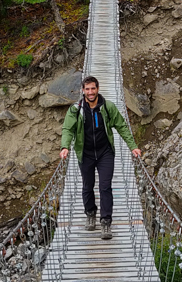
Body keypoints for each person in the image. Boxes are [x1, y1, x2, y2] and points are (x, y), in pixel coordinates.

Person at [60, 76, 141, 240]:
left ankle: (106, 223)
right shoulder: (75, 110)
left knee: (105, 187)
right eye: (87, 89)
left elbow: (121, 126)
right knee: (87, 186)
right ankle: (90, 213)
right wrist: (65, 146)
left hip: (105, 153)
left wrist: (133, 146)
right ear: (83, 90)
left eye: (93, 89)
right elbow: (68, 129)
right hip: (86, 153)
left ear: (98, 89)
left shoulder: (107, 107)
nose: (90, 92)